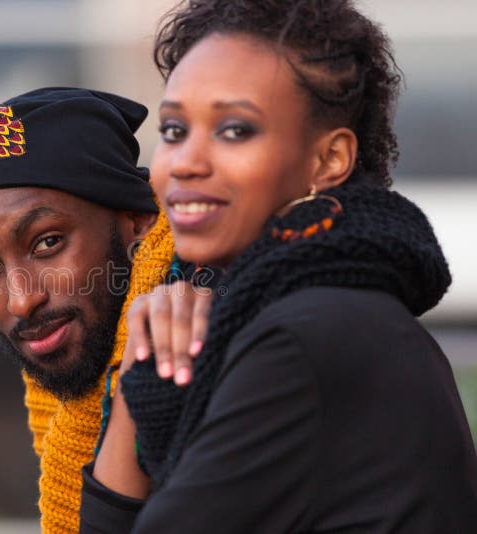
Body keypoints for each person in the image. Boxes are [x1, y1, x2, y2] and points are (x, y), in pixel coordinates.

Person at [80, 1, 477, 532]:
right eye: (174, 129)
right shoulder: (325, 314)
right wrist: (140, 366)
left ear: (329, 159)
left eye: (235, 129)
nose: (185, 162)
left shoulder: (306, 339)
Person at [0, 87, 199, 533]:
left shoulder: (217, 346)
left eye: (47, 242)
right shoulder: (69, 408)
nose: (21, 300)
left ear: (136, 220)